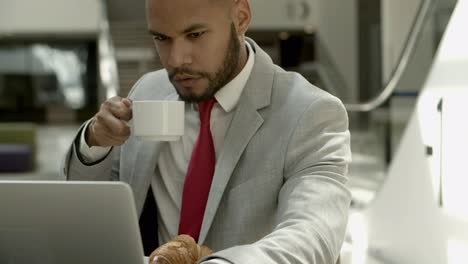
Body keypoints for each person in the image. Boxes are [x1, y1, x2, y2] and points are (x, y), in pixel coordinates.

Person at [62, 0, 352, 263]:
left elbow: (315, 233)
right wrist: (96, 143)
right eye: (162, 38)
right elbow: (99, 201)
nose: (176, 60)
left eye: (195, 35)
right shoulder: (148, 90)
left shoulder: (310, 112)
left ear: (240, 18)